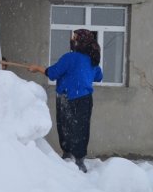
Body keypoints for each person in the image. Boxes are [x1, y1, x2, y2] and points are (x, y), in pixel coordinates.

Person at [28, 29, 103, 172]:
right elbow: (98, 76)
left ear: (79, 41)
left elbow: (53, 73)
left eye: (74, 38)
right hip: (85, 99)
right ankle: (80, 160)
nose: (72, 40)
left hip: (67, 98)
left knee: (65, 127)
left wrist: (37, 68)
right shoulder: (91, 60)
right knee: (81, 129)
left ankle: (68, 156)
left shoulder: (70, 58)